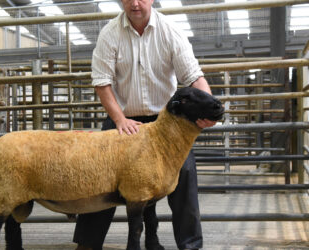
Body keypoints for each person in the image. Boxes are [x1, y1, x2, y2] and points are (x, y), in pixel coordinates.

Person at [73, 0, 216, 249]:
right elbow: (102, 82)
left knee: (183, 173)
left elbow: (194, 77)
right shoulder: (109, 33)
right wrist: (119, 119)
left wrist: (210, 109)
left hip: (166, 122)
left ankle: (191, 245)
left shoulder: (170, 31)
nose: (135, 3)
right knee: (100, 172)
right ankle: (88, 243)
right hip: (124, 119)